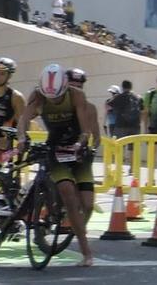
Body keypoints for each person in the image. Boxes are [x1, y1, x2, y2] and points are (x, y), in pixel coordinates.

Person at [16, 65, 99, 267]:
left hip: (78, 151)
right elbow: (24, 119)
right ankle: (86, 252)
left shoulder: (78, 97)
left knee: (87, 204)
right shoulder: (38, 95)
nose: (53, 101)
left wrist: (82, 143)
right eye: (49, 97)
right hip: (56, 149)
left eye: (57, 97)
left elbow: (88, 130)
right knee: (68, 193)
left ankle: (77, 227)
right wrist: (21, 137)